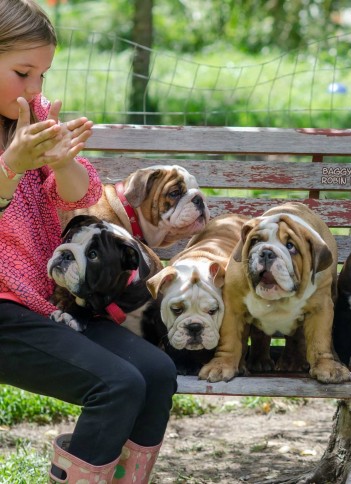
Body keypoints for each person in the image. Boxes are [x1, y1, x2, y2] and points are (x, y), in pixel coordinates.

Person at [0, 1, 177, 482]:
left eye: (43, 75)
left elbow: (81, 195)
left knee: (157, 374)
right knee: (117, 385)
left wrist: (60, 162)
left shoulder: (30, 115)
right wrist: (10, 167)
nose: (36, 89)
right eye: (23, 72)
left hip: (45, 301)